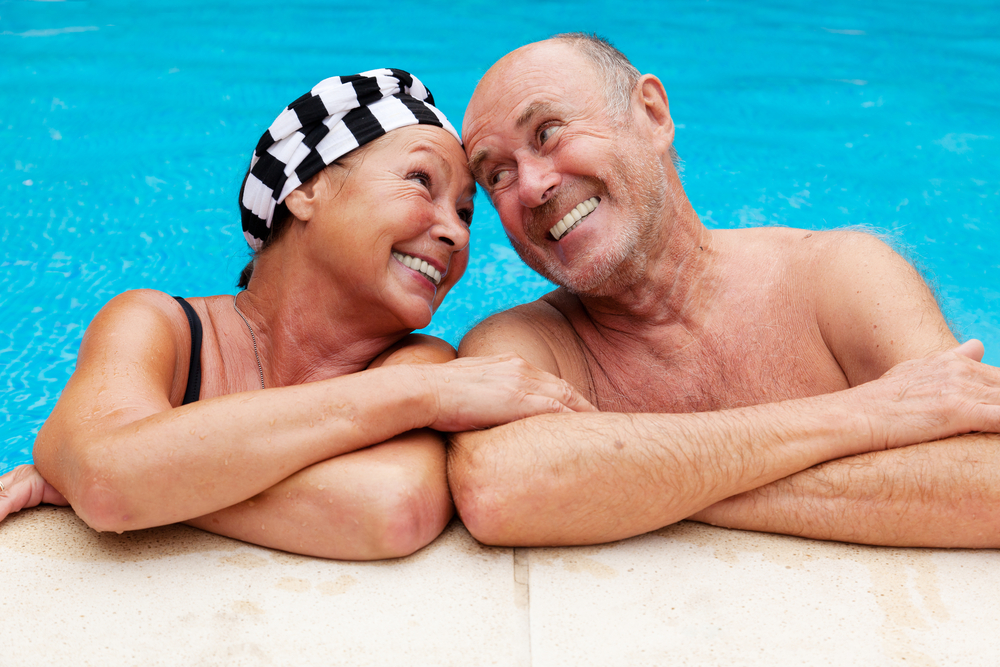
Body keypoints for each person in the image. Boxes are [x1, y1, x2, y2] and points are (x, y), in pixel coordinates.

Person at [0, 69, 593, 560]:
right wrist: (421, 396)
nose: (454, 234)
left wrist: (138, 482)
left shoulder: (418, 361)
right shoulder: (157, 327)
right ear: (304, 191)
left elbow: (389, 509)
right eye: (420, 182)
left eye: (465, 214)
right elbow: (110, 479)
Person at [448, 35, 1000, 549]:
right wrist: (865, 414)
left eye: (548, 133)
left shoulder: (840, 277)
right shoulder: (525, 344)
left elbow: (987, 481)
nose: (532, 185)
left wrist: (636, 485)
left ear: (652, 114)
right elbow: (498, 487)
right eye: (496, 175)